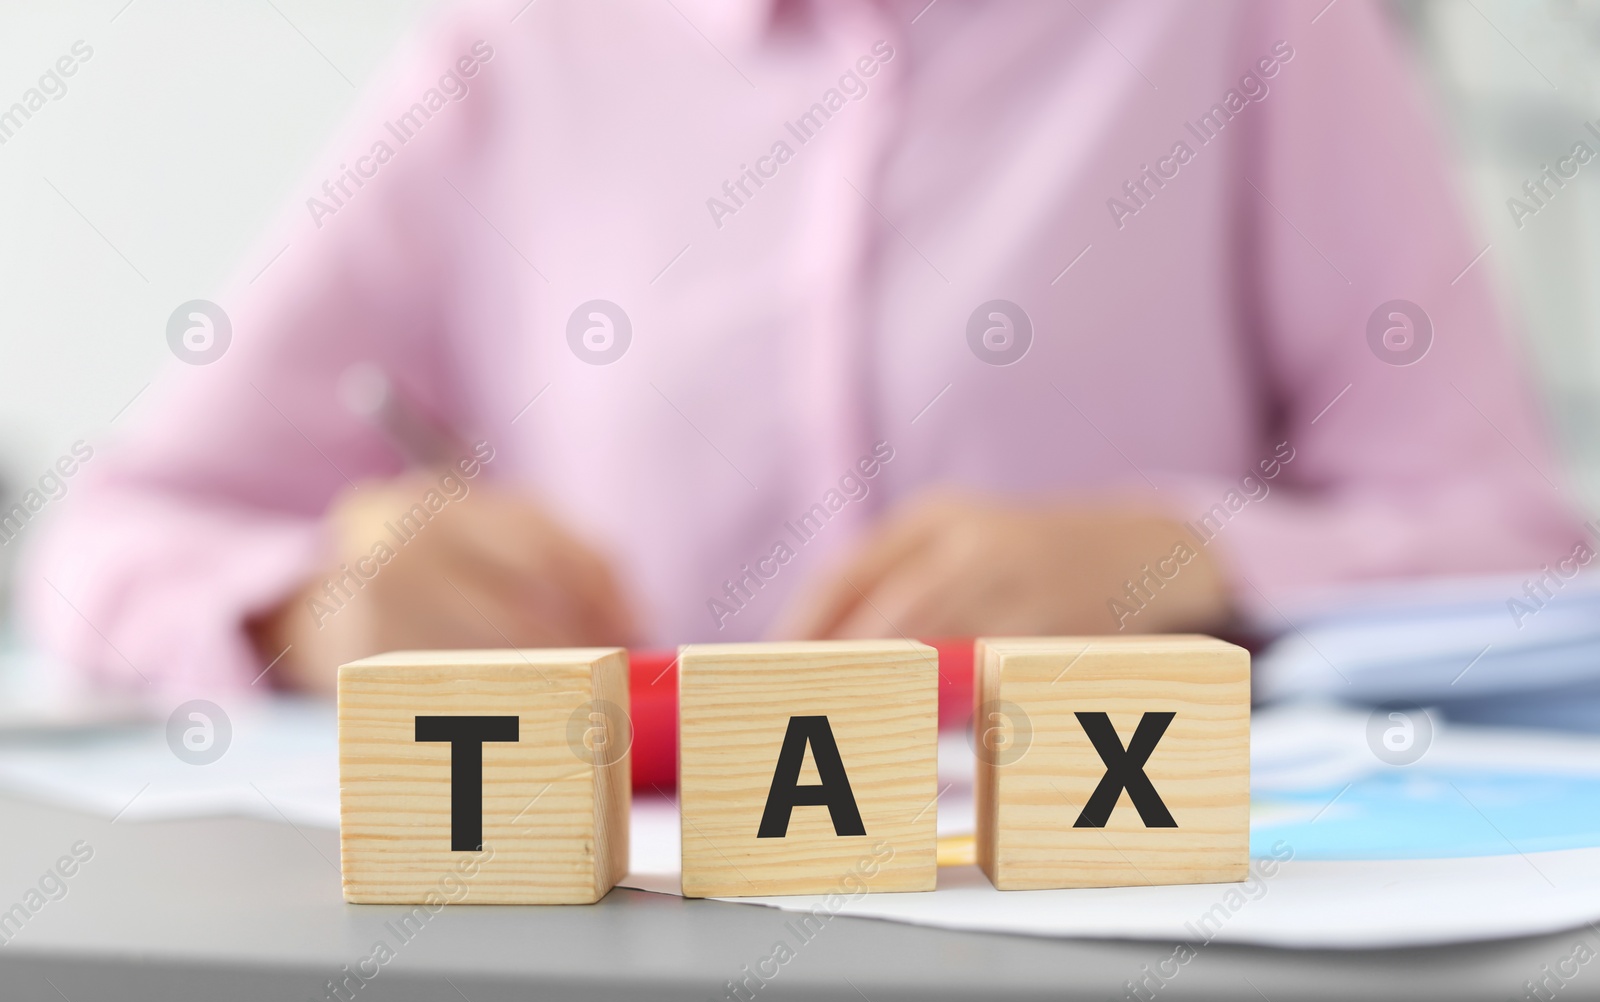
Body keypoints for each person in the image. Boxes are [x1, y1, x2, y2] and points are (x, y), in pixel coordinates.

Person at [21, 0, 1582, 697]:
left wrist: (1190, 559)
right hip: (599, 977)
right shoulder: (509, 57)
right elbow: (112, 536)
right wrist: (313, 607)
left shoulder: (1252, 28)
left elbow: (1522, 555)